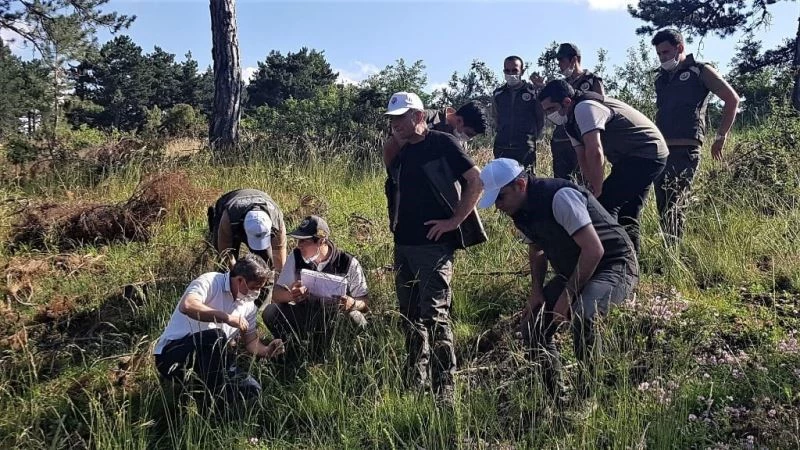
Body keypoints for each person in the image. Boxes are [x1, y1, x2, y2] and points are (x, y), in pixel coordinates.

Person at [478, 158, 638, 400]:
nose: (498, 206)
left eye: (500, 198)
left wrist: (568, 295)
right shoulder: (519, 210)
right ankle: (556, 398)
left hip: (613, 265)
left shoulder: (559, 197)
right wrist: (536, 292)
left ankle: (588, 398)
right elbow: (537, 250)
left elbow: (594, 250)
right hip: (575, 268)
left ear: (520, 184)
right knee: (533, 325)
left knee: (586, 316)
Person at [383, 91, 486, 406]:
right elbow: (391, 172)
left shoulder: (443, 143)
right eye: (392, 121)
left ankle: (445, 387)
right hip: (404, 243)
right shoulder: (399, 149)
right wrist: (397, 140)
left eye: (401, 119)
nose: (395, 126)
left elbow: (476, 181)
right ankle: (415, 379)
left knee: (435, 315)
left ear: (418, 116)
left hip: (434, 246)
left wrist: (455, 221)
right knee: (410, 315)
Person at [538, 79, 668, 253]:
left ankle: (612, 260)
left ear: (566, 102)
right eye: (546, 111)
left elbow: (595, 151)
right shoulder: (569, 122)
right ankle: (631, 260)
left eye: (551, 109)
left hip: (647, 152)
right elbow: (582, 156)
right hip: (633, 157)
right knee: (627, 211)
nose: (549, 115)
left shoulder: (584, 108)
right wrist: (589, 187)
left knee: (605, 207)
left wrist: (597, 191)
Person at [153, 254, 285, 404]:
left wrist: (268, 350)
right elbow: (188, 305)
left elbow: (250, 341)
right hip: (174, 356)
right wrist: (226, 317)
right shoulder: (211, 281)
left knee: (252, 389)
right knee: (216, 336)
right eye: (254, 287)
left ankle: (215, 400)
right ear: (240, 280)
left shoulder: (249, 307)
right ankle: (209, 402)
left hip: (214, 365)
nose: (257, 292)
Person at [651, 29, 740, 244]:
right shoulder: (661, 79)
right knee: (663, 205)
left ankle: (674, 255)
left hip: (686, 149)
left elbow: (732, 99)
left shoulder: (700, 71)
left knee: (676, 204)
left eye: (666, 52)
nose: (662, 57)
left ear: (680, 48)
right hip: (662, 150)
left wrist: (720, 137)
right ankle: (668, 253)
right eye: (659, 53)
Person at [262, 215, 369, 360]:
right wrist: (292, 295)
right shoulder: (296, 257)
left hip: (336, 318)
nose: (298, 245)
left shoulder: (348, 262)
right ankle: (293, 349)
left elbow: (365, 301)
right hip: (306, 314)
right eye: (297, 240)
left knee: (356, 318)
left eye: (304, 241)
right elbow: (276, 294)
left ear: (321, 241)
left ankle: (344, 355)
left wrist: (352, 303)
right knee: (270, 311)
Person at [547, 43, 605, 180]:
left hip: (583, 141)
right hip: (561, 142)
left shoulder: (592, 81)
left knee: (584, 185)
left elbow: (602, 110)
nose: (559, 65)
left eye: (562, 61)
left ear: (574, 60)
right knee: (562, 186)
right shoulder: (561, 85)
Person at [382, 101, 489, 167]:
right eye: (469, 133)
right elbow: (391, 146)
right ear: (460, 121)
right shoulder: (423, 119)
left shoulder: (461, 143)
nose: (468, 138)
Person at [207, 189, 287, 272]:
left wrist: (278, 278)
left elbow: (279, 256)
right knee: (224, 267)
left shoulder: (276, 221)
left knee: (268, 263)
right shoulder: (229, 218)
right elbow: (225, 251)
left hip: (259, 204)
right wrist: (235, 274)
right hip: (229, 207)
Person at [492, 55, 545, 170]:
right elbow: (496, 118)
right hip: (502, 147)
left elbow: (540, 118)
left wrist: (532, 139)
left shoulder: (532, 92)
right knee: (503, 184)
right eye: (507, 70)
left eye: (515, 70)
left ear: (522, 71)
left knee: (526, 183)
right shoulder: (498, 94)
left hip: (525, 148)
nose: (511, 74)